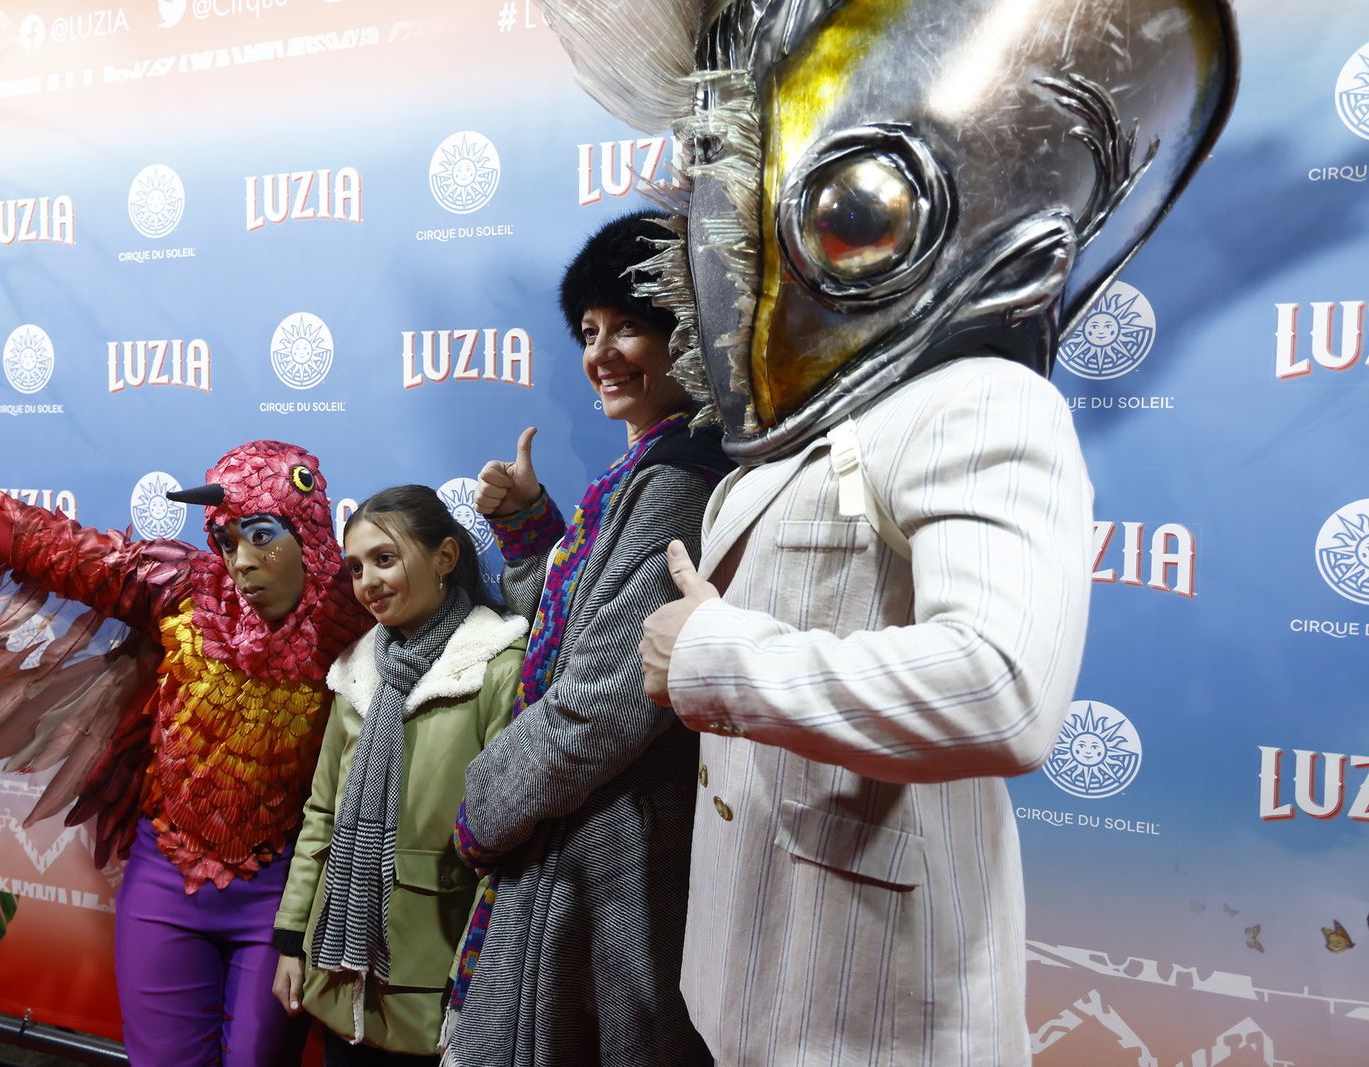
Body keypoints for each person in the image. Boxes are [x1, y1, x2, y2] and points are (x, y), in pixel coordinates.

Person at [524, 1, 1236, 1063]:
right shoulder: (800, 436)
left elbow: (1002, 687)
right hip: (746, 989)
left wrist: (718, 657)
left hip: (877, 1018)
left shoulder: (979, 402)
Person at [0, 404, 370, 1065]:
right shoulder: (182, 587)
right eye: (228, 539)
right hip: (167, 881)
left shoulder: (353, 622)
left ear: (307, 531)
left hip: (279, 892)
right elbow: (43, 543)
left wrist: (523, 526)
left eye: (261, 535)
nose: (241, 560)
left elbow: (446, 612)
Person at [440, 211, 729, 1067]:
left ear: (693, 331)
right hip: (593, 841)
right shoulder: (645, 467)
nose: (602, 352)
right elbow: (567, 641)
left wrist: (484, 804)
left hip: (614, 859)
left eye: (630, 326)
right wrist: (532, 529)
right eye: (590, 330)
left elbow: (599, 705)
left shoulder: (679, 480)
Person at [270, 485, 527, 1066]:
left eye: (385, 560)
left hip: (443, 984)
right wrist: (291, 941)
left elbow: (511, 850)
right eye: (357, 568)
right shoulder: (355, 673)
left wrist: (483, 983)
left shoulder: (496, 667)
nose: (368, 583)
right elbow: (322, 817)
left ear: (444, 557)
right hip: (339, 973)